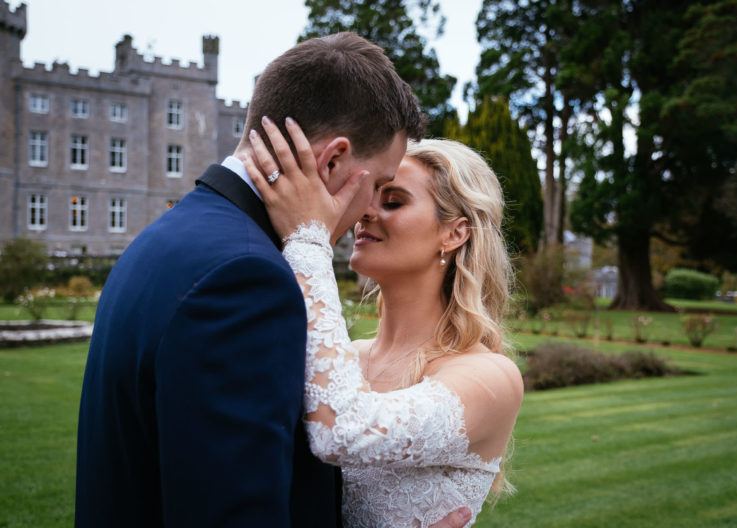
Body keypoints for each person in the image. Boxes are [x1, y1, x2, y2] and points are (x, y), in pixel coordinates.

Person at [75, 32, 470, 528]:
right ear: (332, 160)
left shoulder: (164, 239)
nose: (371, 211)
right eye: (378, 186)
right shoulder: (246, 278)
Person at [241, 117, 524, 526]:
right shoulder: (344, 359)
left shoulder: (489, 377)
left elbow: (342, 431)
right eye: (370, 194)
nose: (364, 213)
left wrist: (308, 238)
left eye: (392, 201)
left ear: (455, 233)